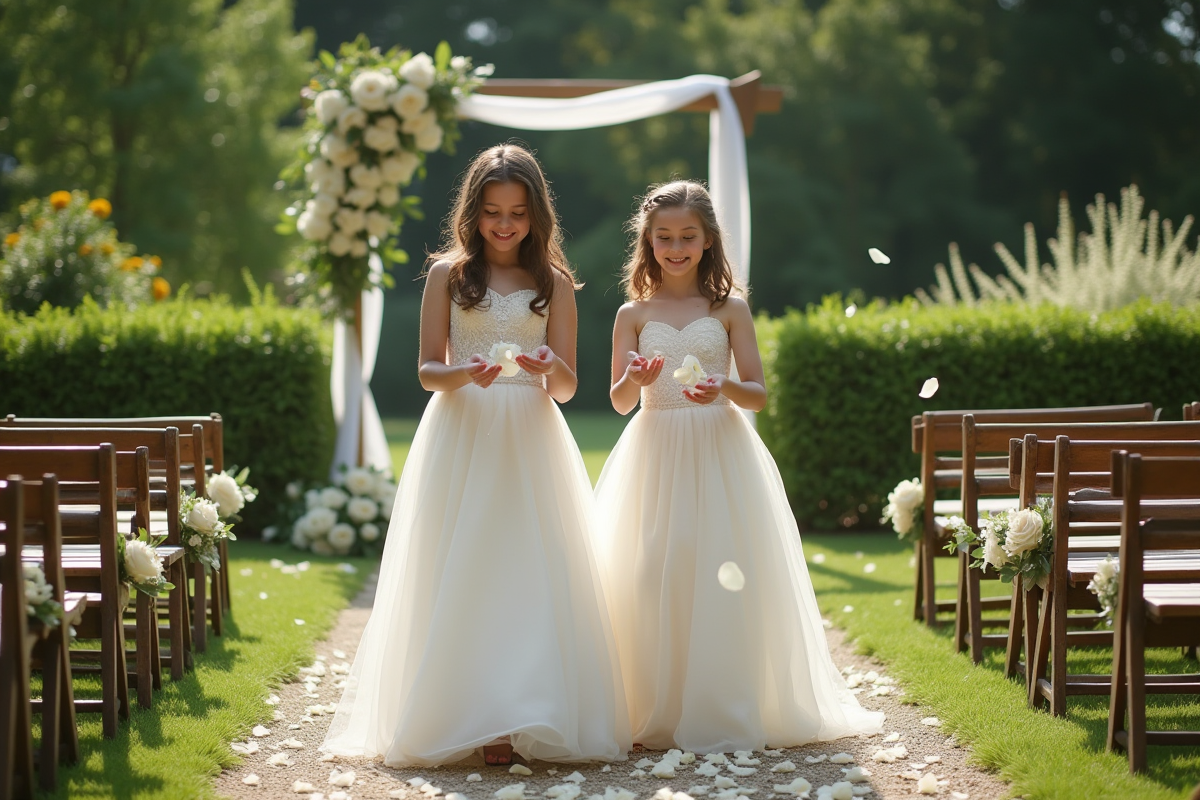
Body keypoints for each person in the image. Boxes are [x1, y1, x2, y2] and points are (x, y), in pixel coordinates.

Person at [322, 143, 629, 767]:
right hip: (461, 431)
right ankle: (469, 711)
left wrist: (548, 366)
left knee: (529, 570)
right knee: (462, 565)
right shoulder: (448, 275)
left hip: (531, 436)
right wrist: (464, 372)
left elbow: (568, 387)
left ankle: (527, 708)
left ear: (536, 214)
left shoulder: (555, 284)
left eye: (517, 211)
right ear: (474, 212)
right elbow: (427, 371)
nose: (505, 224)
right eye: (493, 211)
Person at [593, 179, 883, 752]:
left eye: (687, 236)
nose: (675, 247)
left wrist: (722, 385)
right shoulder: (633, 312)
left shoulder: (729, 309)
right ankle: (656, 706)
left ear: (707, 241)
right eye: (664, 237)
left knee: (717, 572)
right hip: (653, 453)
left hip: (719, 451)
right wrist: (637, 378)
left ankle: (721, 704)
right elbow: (619, 401)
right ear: (647, 241)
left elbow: (756, 393)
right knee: (652, 569)